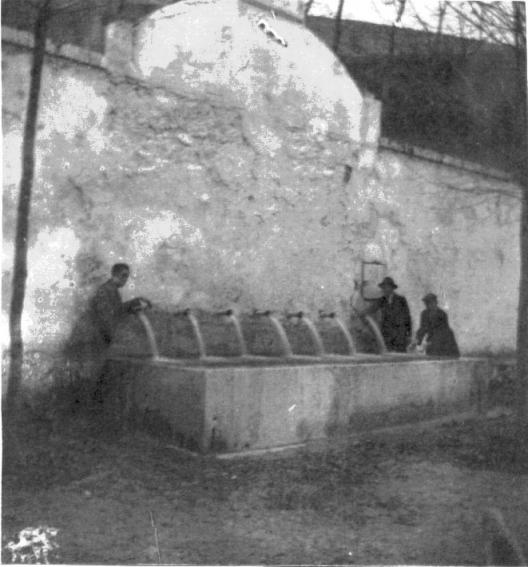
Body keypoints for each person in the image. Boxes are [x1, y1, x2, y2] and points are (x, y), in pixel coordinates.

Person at [360, 276, 412, 352]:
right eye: (383, 288)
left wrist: (409, 335)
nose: (384, 289)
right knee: (389, 355)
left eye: (387, 287)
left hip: (400, 335)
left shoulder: (401, 300)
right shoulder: (382, 300)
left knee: (400, 356)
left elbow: (407, 318)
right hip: (387, 335)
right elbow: (372, 308)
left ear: (392, 288)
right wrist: (362, 313)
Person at [411, 293, 460, 357]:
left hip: (445, 340)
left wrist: (430, 343)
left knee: (447, 357)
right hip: (432, 341)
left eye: (430, 303)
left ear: (435, 302)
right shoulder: (424, 314)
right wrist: (416, 342)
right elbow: (422, 329)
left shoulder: (442, 314)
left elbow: (443, 331)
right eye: (426, 303)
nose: (428, 305)